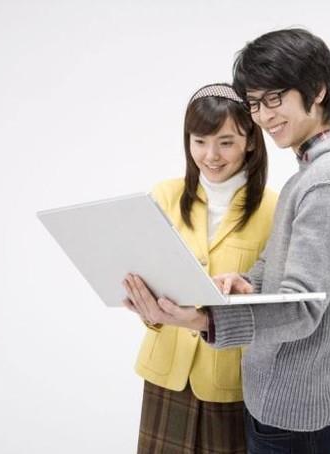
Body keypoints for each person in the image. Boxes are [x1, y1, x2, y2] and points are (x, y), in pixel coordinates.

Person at [123, 29, 330, 453]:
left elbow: (301, 306)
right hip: (285, 403)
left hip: (297, 411)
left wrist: (203, 320)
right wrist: (245, 282)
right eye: (255, 103)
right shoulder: (312, 174)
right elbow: (278, 270)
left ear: (318, 90)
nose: (263, 115)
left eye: (274, 98)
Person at [122, 83, 277, 454]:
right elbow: (150, 279)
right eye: (199, 141)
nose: (211, 156)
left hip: (229, 382)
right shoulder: (165, 196)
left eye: (226, 142)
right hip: (166, 372)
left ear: (250, 142)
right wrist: (148, 311)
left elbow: (272, 304)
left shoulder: (274, 208)